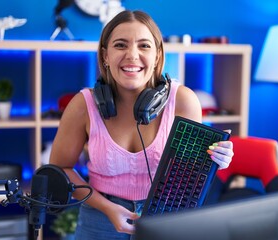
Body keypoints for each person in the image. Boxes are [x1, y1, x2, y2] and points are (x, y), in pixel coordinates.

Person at [49, 10, 234, 240]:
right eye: (120, 45)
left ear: (157, 55)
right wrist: (107, 208)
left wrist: (214, 159)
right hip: (98, 219)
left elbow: (189, 173)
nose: (132, 55)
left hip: (164, 215)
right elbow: (59, 170)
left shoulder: (183, 101)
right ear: (105, 55)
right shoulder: (82, 105)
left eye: (144, 46)